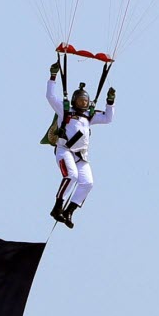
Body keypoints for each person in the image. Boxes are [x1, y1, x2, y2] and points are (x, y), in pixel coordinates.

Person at [46, 61, 115, 229]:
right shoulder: (65, 111)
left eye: (86, 101)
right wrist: (53, 77)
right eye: (80, 100)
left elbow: (107, 118)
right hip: (65, 150)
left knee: (87, 183)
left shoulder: (89, 117)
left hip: (81, 155)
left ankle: (69, 211)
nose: (83, 103)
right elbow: (50, 96)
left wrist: (110, 102)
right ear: (74, 100)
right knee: (72, 176)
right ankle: (57, 207)